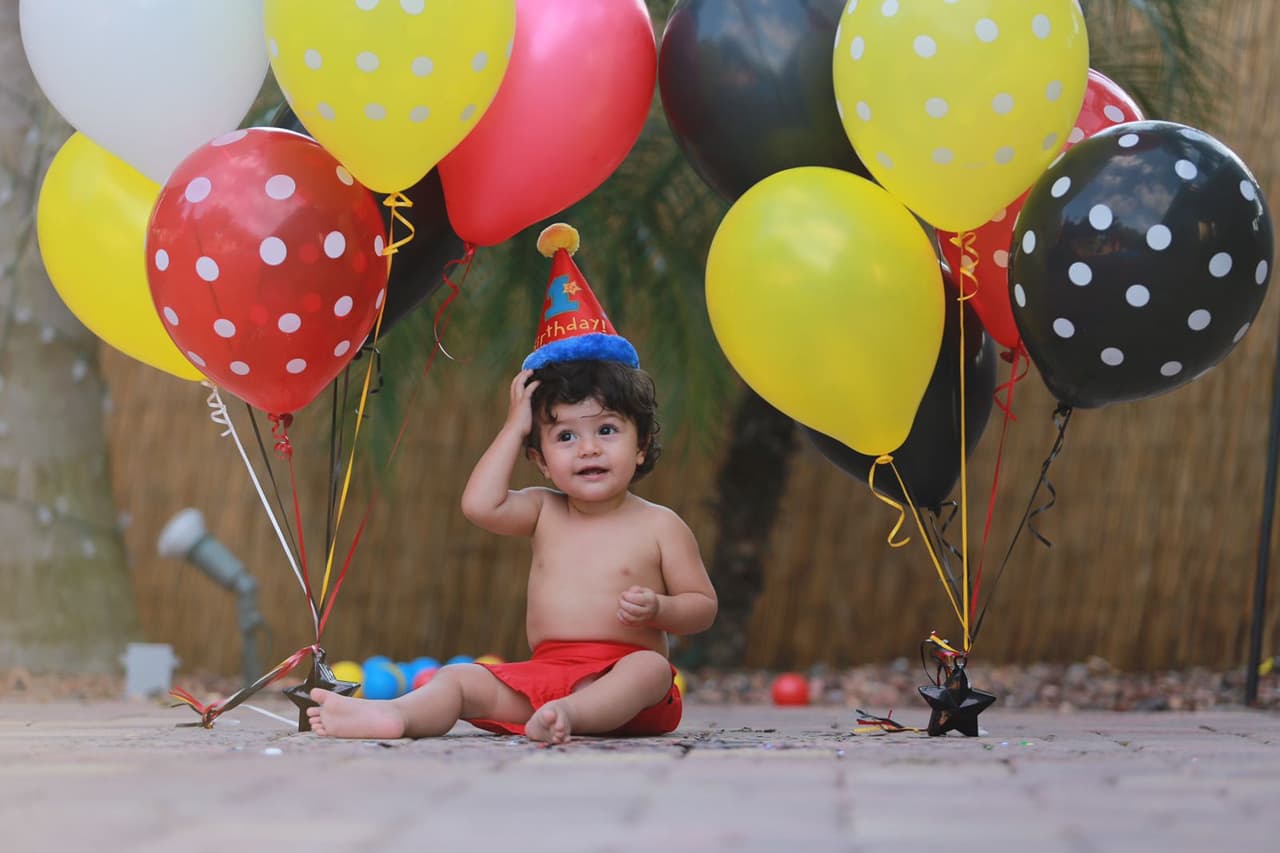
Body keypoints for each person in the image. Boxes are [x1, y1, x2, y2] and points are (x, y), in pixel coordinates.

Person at [306, 224, 717, 743]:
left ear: (640, 446)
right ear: (541, 461)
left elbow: (702, 607)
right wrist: (513, 424)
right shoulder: (546, 510)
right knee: (458, 678)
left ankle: (574, 716)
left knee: (651, 670)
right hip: (543, 681)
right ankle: (398, 718)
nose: (588, 448)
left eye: (607, 430)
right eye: (564, 436)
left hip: (627, 686)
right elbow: (480, 504)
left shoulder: (660, 525)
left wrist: (661, 609)